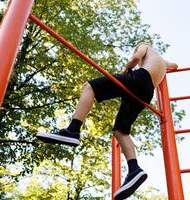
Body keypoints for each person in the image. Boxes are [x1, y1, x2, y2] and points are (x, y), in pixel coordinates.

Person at [36, 43, 178, 199]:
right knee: (120, 131)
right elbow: (175, 66)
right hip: (147, 92)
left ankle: (73, 130)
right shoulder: (163, 61)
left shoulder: (144, 46)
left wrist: (126, 69)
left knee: (90, 87)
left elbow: (136, 58)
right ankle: (134, 169)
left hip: (140, 78)